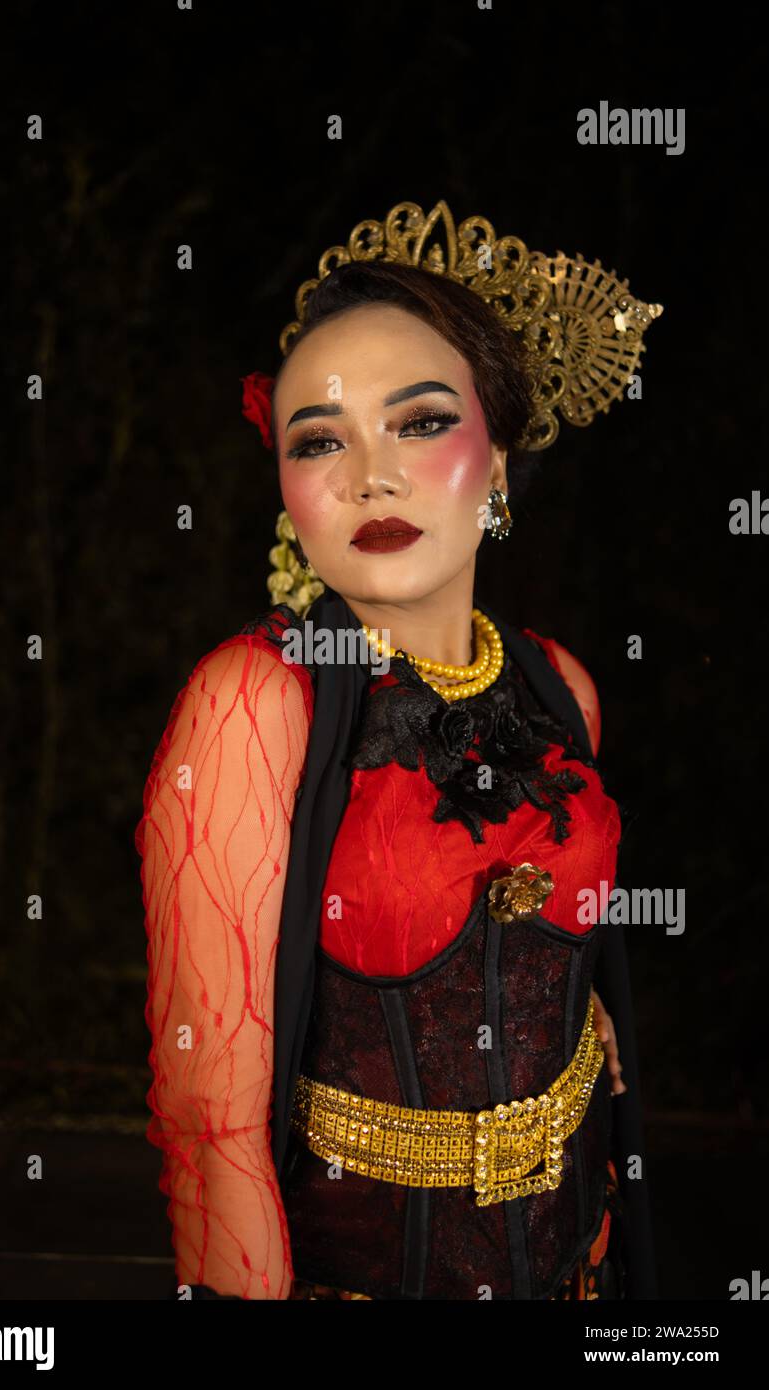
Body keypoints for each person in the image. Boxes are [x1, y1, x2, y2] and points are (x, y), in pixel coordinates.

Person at [136, 200, 662, 1300]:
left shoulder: (561, 687)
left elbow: (569, 981)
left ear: (500, 457)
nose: (368, 475)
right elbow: (210, 1127)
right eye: (318, 440)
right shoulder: (251, 702)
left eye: (419, 422)